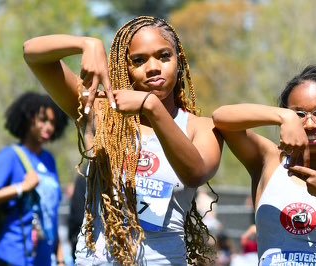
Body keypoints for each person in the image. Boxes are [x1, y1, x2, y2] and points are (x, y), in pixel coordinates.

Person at [23, 16, 224, 265]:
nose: (153, 67)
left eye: (164, 56)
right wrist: (86, 44)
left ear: (179, 60)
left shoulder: (200, 127)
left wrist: (151, 107)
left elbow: (195, 174)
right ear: (124, 67)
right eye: (138, 60)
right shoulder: (101, 111)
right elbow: (32, 53)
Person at [213, 65, 316, 265]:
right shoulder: (269, 161)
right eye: (299, 115)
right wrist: (284, 117)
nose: (309, 124)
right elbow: (221, 117)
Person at [0, 92, 69, 266]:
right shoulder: (10, 156)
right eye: (43, 120)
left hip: (44, 258)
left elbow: (51, 213)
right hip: (14, 254)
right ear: (27, 120)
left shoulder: (49, 160)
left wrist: (60, 258)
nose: (49, 127)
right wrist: (21, 187)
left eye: (53, 122)